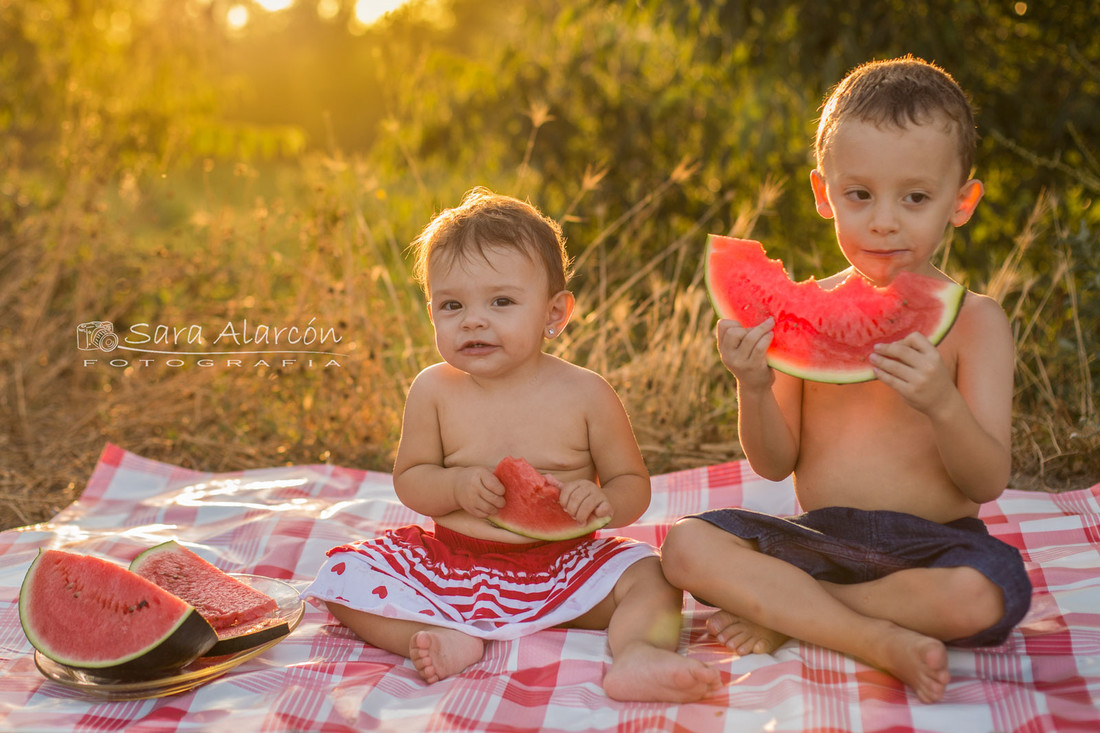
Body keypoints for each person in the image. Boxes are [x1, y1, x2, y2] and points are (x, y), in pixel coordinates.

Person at [660, 56, 1031, 704]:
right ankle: (876, 637)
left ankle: (795, 612)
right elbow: (774, 463)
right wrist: (752, 383)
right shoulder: (797, 318)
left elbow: (987, 480)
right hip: (817, 536)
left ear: (962, 201)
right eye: (859, 194)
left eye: (915, 197)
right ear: (822, 193)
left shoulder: (977, 323)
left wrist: (943, 404)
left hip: (935, 545)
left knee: (989, 589)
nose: (884, 221)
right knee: (685, 545)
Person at [303, 188, 719, 703]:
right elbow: (411, 480)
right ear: (432, 312)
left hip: (564, 567)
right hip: (450, 566)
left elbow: (631, 485)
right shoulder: (433, 390)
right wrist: (452, 486)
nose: (474, 320)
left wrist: (605, 503)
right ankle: (437, 638)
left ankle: (638, 653)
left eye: (501, 301)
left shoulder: (587, 394)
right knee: (343, 575)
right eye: (452, 305)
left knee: (651, 576)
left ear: (555, 313)